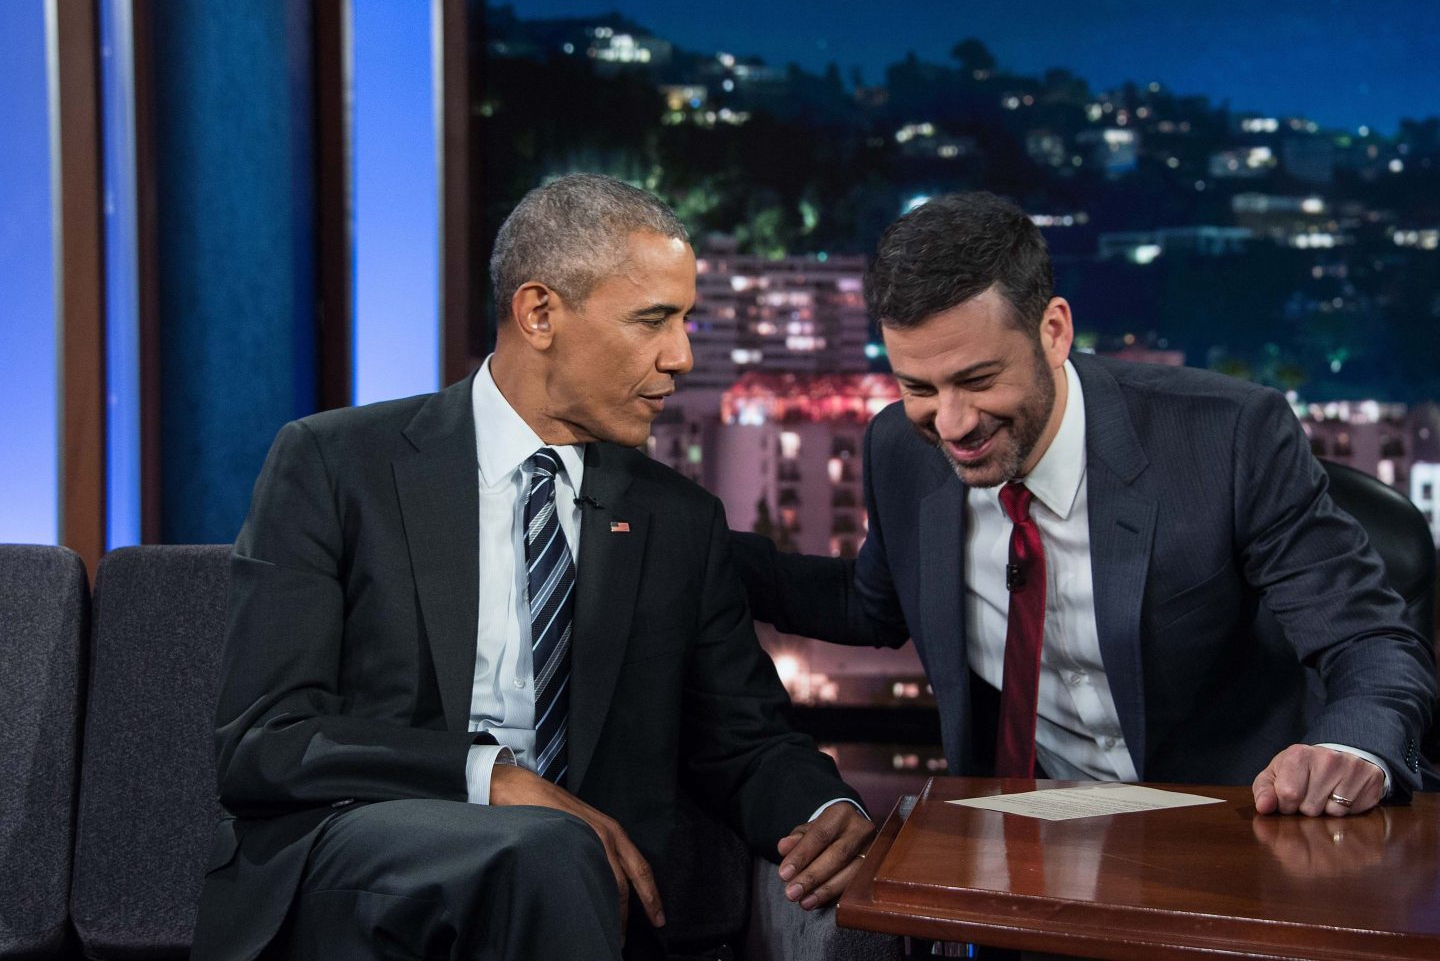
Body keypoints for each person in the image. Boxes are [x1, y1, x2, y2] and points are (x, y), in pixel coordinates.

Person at [191, 174, 872, 961]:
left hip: (584, 897)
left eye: (686, 321)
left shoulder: (679, 520)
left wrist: (825, 808)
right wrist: (489, 776)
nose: (681, 357)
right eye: (653, 320)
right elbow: (266, 740)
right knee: (543, 849)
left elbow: (745, 741)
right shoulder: (335, 464)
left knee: (552, 859)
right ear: (539, 313)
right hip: (372, 867)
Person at [735, 191, 1435, 818]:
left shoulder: (1229, 437)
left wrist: (1350, 750)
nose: (951, 423)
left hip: (1236, 831)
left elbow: (1370, 641)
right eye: (919, 387)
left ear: (1054, 331)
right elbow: (871, 605)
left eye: (977, 380)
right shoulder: (899, 448)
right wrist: (698, 542)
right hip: (1025, 841)